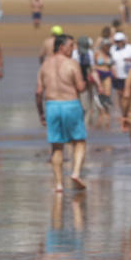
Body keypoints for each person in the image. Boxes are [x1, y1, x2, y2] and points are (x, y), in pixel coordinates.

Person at [36, 33, 88, 191]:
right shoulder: (72, 63)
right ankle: (76, 173)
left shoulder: (45, 65)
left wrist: (40, 113)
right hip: (70, 104)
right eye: (71, 46)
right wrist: (85, 82)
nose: (73, 49)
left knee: (56, 146)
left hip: (51, 105)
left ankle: (59, 184)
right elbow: (80, 87)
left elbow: (38, 92)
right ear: (61, 47)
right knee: (79, 141)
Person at [109, 31, 131, 107]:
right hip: (118, 76)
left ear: (123, 41)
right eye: (116, 41)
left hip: (128, 76)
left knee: (128, 94)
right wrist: (113, 71)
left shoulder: (130, 48)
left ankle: (128, 110)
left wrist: (130, 59)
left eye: (119, 41)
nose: (117, 43)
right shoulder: (112, 49)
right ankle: (122, 112)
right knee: (119, 94)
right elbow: (111, 62)